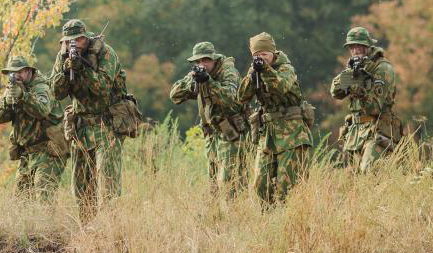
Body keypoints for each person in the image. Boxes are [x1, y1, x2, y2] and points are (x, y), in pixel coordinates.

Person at [50, 18, 132, 220]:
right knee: (81, 187)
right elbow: (56, 93)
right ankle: (87, 229)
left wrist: (83, 68)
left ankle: (110, 230)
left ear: (85, 38)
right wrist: (67, 70)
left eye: (77, 39)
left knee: (108, 186)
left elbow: (102, 88)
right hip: (81, 127)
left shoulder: (105, 53)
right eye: (68, 41)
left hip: (107, 125)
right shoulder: (63, 56)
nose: (73, 44)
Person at [237, 32, 313, 205]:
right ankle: (267, 218)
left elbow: (280, 87)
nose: (260, 58)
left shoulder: (286, 69)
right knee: (260, 185)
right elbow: (241, 97)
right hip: (268, 135)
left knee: (288, 187)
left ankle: (290, 218)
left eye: (264, 54)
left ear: (273, 53)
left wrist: (265, 70)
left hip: (292, 134)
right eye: (256, 55)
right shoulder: (255, 70)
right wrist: (252, 77)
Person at [169, 41, 249, 192]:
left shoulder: (228, 72)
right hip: (211, 133)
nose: (202, 64)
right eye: (198, 61)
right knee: (213, 183)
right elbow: (174, 95)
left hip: (231, 132)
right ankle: (215, 207)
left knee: (230, 181)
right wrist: (192, 81)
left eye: (206, 60)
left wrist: (208, 81)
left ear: (214, 59)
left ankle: (235, 206)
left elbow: (229, 98)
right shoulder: (198, 72)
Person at [0, 55, 68, 197]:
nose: (16, 76)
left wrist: (23, 96)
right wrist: (7, 102)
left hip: (48, 150)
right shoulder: (12, 89)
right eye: (12, 73)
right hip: (27, 154)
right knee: (21, 200)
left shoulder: (42, 87)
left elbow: (42, 111)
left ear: (29, 71)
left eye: (19, 72)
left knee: (43, 194)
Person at [330, 27, 398, 172]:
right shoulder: (355, 67)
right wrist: (350, 74)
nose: (355, 51)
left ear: (368, 46)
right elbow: (335, 93)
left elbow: (375, 108)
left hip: (377, 130)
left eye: (359, 46)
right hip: (355, 132)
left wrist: (358, 89)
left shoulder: (382, 68)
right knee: (348, 178)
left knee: (370, 174)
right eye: (352, 47)